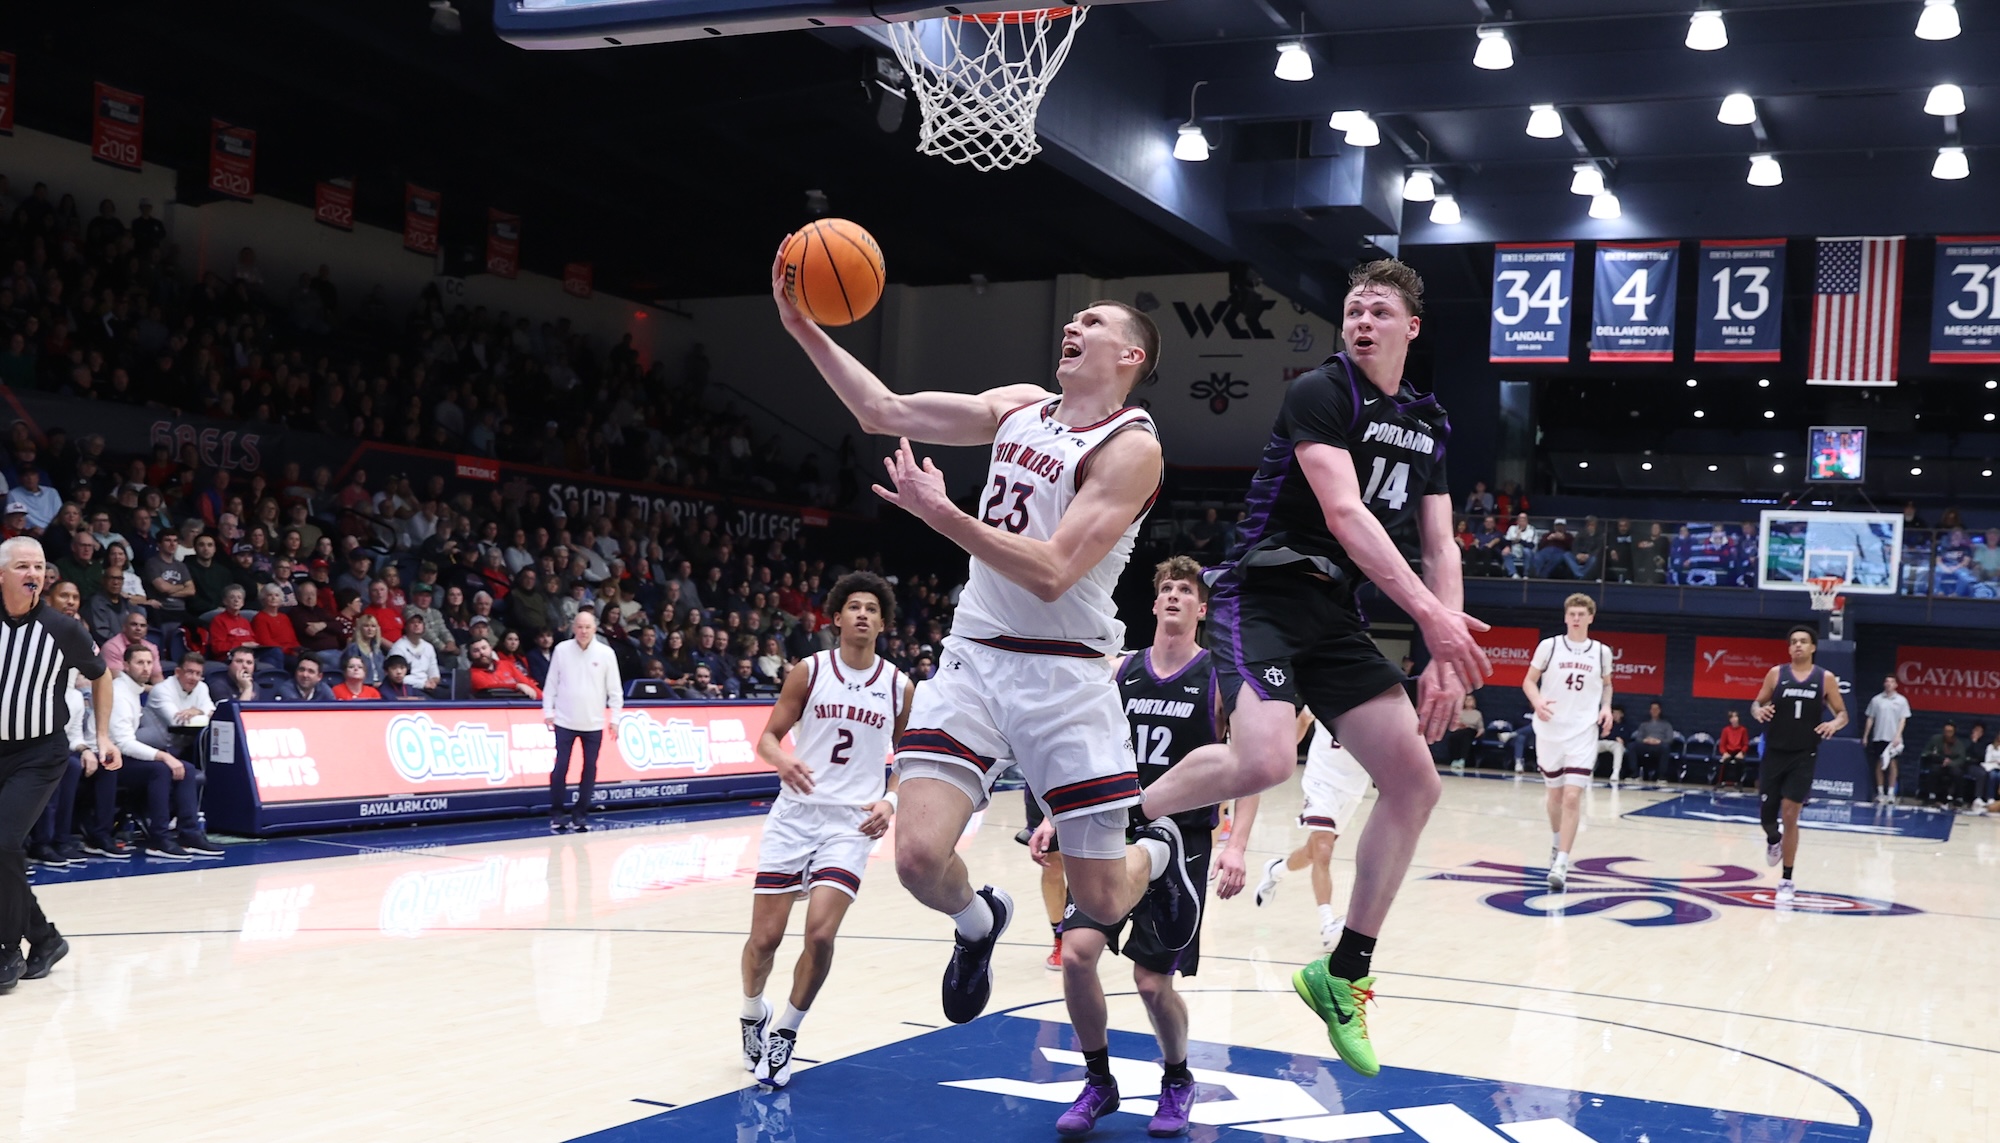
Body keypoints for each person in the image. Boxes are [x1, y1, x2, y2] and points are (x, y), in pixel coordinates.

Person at [773, 239, 1198, 1028]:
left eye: (1092, 319)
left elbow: (1052, 570)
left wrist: (943, 514)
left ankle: (1162, 852)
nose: (1073, 322)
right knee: (915, 856)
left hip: (1066, 679)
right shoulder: (1019, 406)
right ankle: (978, 922)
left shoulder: (1132, 448)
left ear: (1130, 353)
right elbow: (884, 411)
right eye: (1073, 316)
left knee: (1101, 899)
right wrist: (804, 325)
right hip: (973, 661)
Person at [1130, 260, 1490, 1077]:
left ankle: (1344, 972)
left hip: (1334, 613)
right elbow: (1343, 511)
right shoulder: (1320, 392)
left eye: (1380, 310)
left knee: (1416, 783)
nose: (1362, 320)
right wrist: (1432, 620)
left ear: (1412, 328)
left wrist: (1442, 648)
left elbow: (1440, 546)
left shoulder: (1430, 422)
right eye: (1354, 309)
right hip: (1259, 592)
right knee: (1262, 759)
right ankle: (1116, 814)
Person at [1031, 556, 1256, 1137]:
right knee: (1078, 954)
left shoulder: (1220, 676)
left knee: (1153, 984)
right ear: (1155, 604)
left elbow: (1249, 768)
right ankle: (1099, 1080)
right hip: (1115, 829)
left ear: (1202, 609)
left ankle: (1177, 1078)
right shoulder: (1121, 669)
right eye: (1167, 589)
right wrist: (1057, 814)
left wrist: (1238, 844)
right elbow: (1084, 748)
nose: (1176, 596)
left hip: (1187, 839)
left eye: (1187, 590)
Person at [740, 572, 911, 1090]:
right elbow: (768, 738)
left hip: (851, 823)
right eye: (853, 607)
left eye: (871, 609)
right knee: (765, 940)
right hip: (795, 815)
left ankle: (786, 1033)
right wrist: (783, 763)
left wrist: (892, 798)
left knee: (820, 932)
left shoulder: (899, 685)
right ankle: (752, 1013)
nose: (862, 614)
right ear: (835, 618)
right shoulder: (808, 671)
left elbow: (907, 756)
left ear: (883, 623)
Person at [0, 537, 121, 988]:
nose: (34, 572)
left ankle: (7, 950)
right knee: (0, 852)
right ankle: (45, 938)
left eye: (40, 566)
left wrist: (103, 735)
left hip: (39, 753)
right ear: (2, 575)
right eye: (23, 565)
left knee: (4, 842)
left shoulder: (63, 629)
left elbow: (101, 676)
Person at [1521, 594, 1614, 892]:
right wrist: (1536, 701)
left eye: (1581, 614)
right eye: (1571, 613)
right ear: (1565, 617)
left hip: (1582, 731)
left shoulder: (1601, 652)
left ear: (1590, 618)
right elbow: (1528, 681)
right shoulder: (1549, 646)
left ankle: (1562, 861)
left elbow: (1608, 684)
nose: (1575, 618)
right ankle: (1555, 841)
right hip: (1550, 729)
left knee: (1573, 797)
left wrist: (1606, 707)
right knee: (1555, 798)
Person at [1256, 716, 1372, 951]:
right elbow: (1302, 723)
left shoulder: (1373, 693)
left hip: (1352, 788)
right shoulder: (1323, 687)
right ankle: (1327, 924)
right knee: (1323, 850)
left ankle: (1276, 869)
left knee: (1313, 851)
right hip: (1321, 780)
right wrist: (1281, 757)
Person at [1750, 626, 1848, 904]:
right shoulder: (1776, 674)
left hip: (1804, 754)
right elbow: (1756, 704)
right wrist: (1759, 710)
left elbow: (1842, 714)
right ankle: (1772, 839)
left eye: (1804, 642)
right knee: (1768, 818)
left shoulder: (1825, 678)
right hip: (1774, 753)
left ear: (1813, 647)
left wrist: (1834, 723)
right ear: (1789, 648)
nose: (1798, 646)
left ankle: (1786, 879)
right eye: (1793, 642)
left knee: (1791, 813)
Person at [106, 644, 218, 858]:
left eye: (149, 663)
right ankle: (159, 838)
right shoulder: (120, 694)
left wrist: (199, 711)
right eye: (140, 663)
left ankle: (189, 834)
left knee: (185, 767)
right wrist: (163, 756)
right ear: (126, 665)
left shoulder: (133, 690)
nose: (146, 668)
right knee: (162, 769)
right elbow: (122, 744)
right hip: (110, 760)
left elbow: (214, 712)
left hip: (128, 755)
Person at [543, 611, 623, 833]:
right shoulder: (561, 650)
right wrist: (547, 711)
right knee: (561, 766)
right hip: (564, 720)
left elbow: (615, 691)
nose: (583, 631)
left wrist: (615, 719)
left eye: (587, 627)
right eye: (579, 626)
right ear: (573, 628)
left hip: (594, 723)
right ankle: (557, 813)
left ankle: (580, 814)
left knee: (589, 768)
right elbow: (551, 684)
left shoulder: (606, 653)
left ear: (594, 628)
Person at [1862, 675, 1912, 804]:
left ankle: (1891, 793)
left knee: (1892, 764)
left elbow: (1903, 720)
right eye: (1887, 681)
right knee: (1879, 763)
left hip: (1893, 738)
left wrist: (1897, 736)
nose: (1889, 684)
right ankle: (1880, 793)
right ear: (1884, 684)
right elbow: (1870, 718)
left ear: (1896, 685)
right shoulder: (1876, 700)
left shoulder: (1901, 700)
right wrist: (1866, 736)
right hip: (1879, 736)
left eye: (1892, 682)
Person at [389, 610, 444, 695]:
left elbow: (434, 673)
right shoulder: (398, 648)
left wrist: (433, 681)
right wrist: (422, 684)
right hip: (408, 688)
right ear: (406, 626)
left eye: (419, 622)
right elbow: (396, 676)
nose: (416, 625)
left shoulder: (429, 647)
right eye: (412, 622)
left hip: (428, 686)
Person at [1632, 702, 1675, 782]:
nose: (1654, 711)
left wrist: (1659, 741)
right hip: (1646, 744)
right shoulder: (1644, 724)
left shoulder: (1666, 725)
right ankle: (1635, 774)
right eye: (1652, 709)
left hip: (1659, 745)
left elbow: (1669, 739)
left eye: (1656, 709)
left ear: (1660, 711)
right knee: (1632, 746)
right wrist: (1645, 740)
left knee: (1666, 748)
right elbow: (1638, 738)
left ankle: (1661, 776)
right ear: (1650, 711)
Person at [271, 657, 335, 703]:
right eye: (301, 670)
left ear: (319, 677)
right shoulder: (285, 689)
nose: (305, 675)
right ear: (296, 672)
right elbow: (298, 709)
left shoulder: (324, 688)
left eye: (311, 671)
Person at [1716, 711, 1753, 788]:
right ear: (1730, 720)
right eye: (1733, 717)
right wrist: (1724, 753)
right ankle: (1720, 782)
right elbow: (1722, 744)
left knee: (1740, 762)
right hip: (1728, 751)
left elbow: (1746, 744)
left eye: (1736, 717)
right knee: (1723, 762)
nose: (1735, 719)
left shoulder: (1743, 730)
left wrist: (1742, 752)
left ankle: (1738, 782)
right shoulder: (1725, 730)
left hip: (1738, 751)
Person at [1597, 704, 1630, 783]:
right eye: (1613, 713)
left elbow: (1625, 738)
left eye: (1617, 713)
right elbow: (1602, 735)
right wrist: (1614, 737)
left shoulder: (1625, 725)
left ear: (1622, 714)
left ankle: (1615, 772)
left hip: (1616, 745)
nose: (1615, 715)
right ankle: (1589, 771)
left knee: (1618, 747)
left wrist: (1613, 737)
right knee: (1593, 746)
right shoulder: (1607, 723)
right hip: (1604, 742)